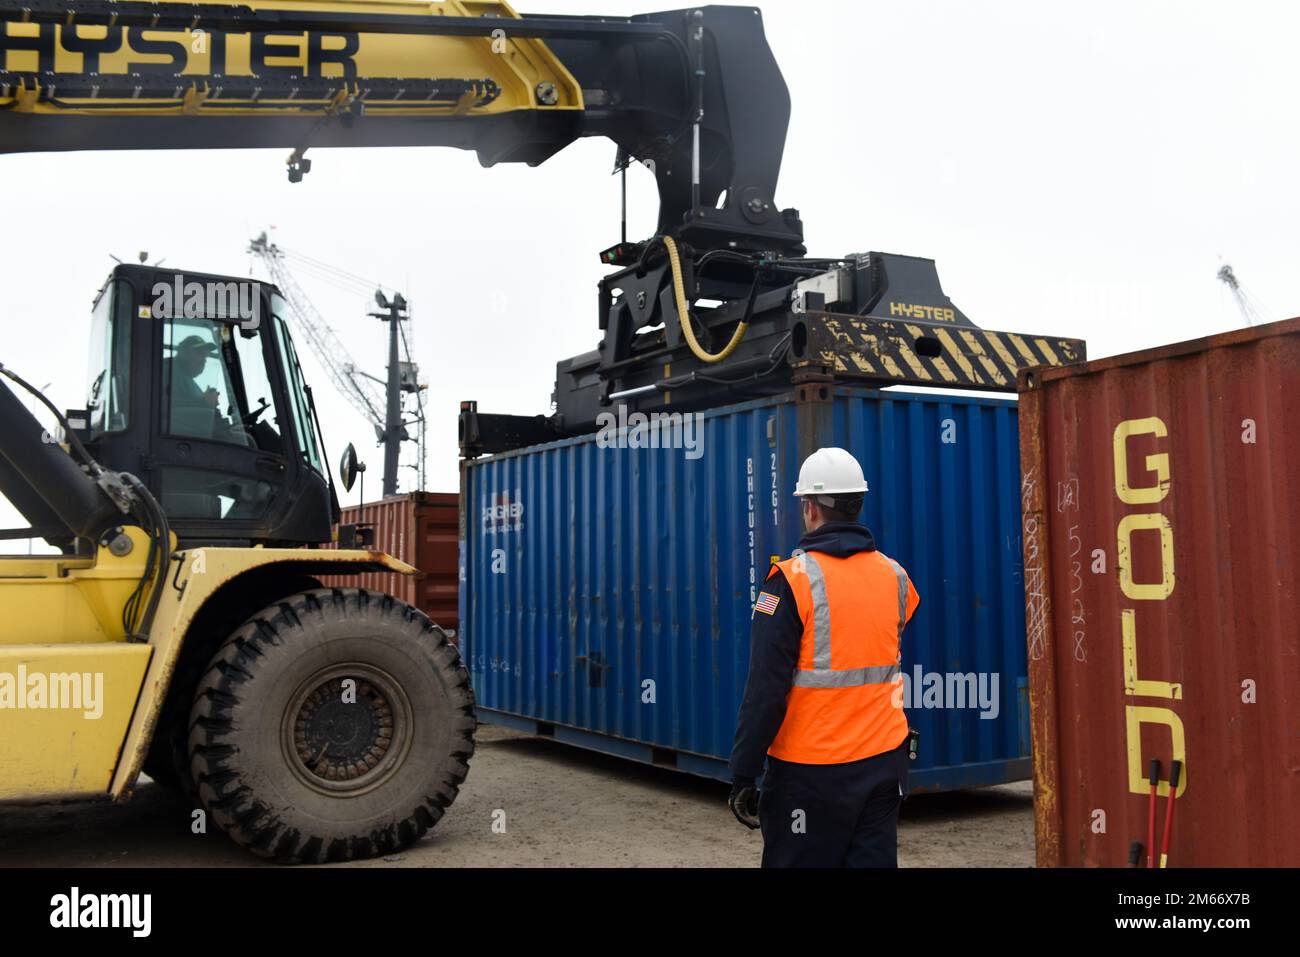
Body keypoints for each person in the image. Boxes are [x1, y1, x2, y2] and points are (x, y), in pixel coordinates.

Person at [727, 447, 920, 867]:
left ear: (810, 507)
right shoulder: (895, 575)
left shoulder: (790, 583)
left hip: (810, 774)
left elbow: (765, 689)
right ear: (857, 504)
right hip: (884, 764)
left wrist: (744, 770)